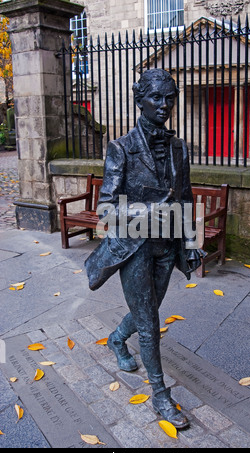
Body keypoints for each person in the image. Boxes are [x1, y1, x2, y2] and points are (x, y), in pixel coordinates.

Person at [85, 69, 205, 429]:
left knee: (149, 309)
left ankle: (117, 340)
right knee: (151, 324)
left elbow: (184, 197)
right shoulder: (121, 147)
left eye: (170, 97)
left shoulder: (179, 147)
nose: (164, 105)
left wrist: (190, 242)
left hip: (167, 246)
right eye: (156, 97)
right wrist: (147, 211)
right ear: (140, 101)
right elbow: (106, 208)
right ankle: (160, 395)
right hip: (134, 247)